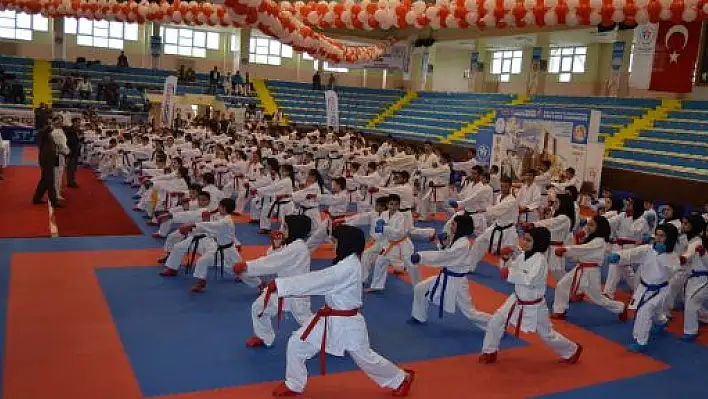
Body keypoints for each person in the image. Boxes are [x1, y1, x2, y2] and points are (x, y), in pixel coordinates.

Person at [265, 225, 415, 397]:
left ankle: (401, 378)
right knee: (297, 344)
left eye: (336, 241)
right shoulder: (346, 262)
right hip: (329, 317)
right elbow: (320, 279)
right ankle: (294, 384)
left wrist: (281, 285)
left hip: (347, 322)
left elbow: (317, 281)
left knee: (365, 358)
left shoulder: (347, 267)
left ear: (346, 243)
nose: (333, 244)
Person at [479, 227, 583, 364]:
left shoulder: (540, 261)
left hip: (534, 305)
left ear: (539, 243)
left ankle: (572, 349)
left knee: (547, 335)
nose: (525, 242)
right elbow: (511, 268)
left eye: (529, 240)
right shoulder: (523, 256)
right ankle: (489, 351)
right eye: (525, 239)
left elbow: (530, 280)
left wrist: (509, 274)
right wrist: (505, 259)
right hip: (516, 299)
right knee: (495, 321)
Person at [232, 215, 314, 348]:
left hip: (296, 293)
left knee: (307, 320)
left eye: (285, 227)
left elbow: (273, 262)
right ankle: (264, 337)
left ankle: (329, 340)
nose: (282, 229)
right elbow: (275, 258)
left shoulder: (297, 248)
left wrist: (247, 266)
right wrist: (276, 247)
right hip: (282, 288)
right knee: (258, 308)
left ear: (295, 229)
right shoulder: (291, 245)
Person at [607, 223, 679, 352]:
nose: (658, 238)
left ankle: (641, 341)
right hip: (644, 286)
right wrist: (619, 256)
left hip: (660, 289)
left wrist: (662, 255)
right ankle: (662, 322)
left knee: (644, 311)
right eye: (657, 235)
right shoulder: (648, 249)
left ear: (670, 238)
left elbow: (673, 270)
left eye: (662, 236)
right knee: (655, 310)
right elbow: (632, 253)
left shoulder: (672, 255)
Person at [409, 215, 491, 328]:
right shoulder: (456, 239)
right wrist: (444, 244)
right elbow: (448, 255)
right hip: (446, 277)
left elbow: (445, 257)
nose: (451, 225)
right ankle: (419, 316)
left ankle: (495, 324)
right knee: (420, 288)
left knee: (470, 313)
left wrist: (421, 257)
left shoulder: (463, 243)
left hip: (457, 283)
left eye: (453, 224)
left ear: (461, 226)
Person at [551, 215, 628, 320]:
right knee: (562, 285)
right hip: (581, 268)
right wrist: (570, 248)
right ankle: (559, 310)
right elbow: (580, 253)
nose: (588, 227)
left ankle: (621, 307)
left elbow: (583, 249)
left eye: (591, 225)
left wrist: (565, 250)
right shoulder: (592, 238)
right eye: (588, 224)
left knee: (598, 299)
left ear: (599, 227)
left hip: (591, 272)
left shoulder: (599, 241)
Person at [678, 215, 707, 342]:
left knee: (691, 302)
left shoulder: (698, 242)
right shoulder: (690, 240)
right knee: (690, 301)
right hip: (693, 278)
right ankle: (705, 318)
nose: (684, 226)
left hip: (703, 279)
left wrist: (684, 257)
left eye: (686, 223)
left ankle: (691, 331)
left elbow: (689, 253)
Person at [32, 116, 62, 207]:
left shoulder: (48, 133)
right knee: (49, 180)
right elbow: (47, 130)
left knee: (45, 180)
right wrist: (53, 123)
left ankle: (36, 198)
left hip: (49, 158)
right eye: (48, 123)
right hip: (46, 159)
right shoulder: (42, 133)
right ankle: (54, 201)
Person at [64, 117, 82, 188]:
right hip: (71, 151)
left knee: (74, 168)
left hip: (76, 151)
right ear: (74, 122)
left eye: (79, 122)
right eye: (78, 122)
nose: (79, 124)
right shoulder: (69, 130)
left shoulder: (77, 130)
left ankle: (72, 180)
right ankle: (70, 182)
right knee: (70, 168)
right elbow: (67, 141)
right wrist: (68, 151)